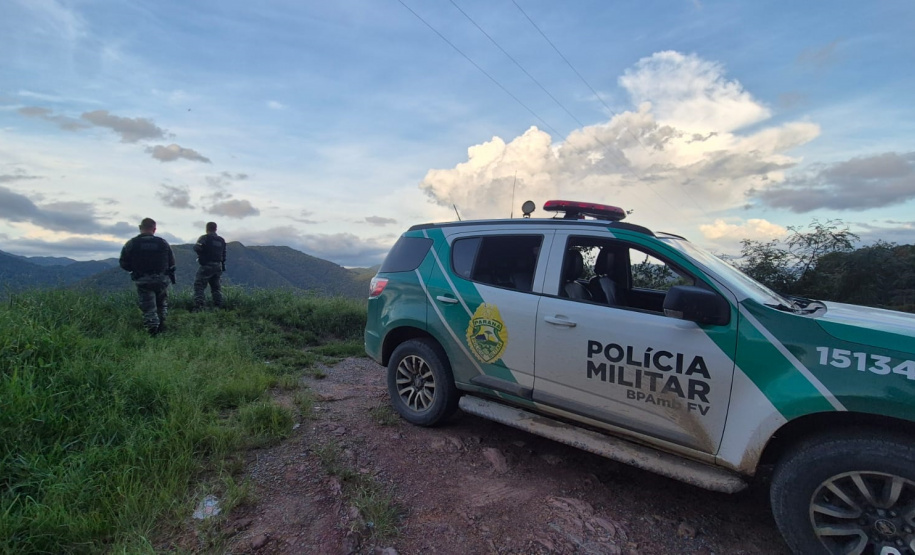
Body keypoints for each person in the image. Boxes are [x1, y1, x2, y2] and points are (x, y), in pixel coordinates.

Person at [119, 217, 176, 336]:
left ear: (140, 228)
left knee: (148, 306)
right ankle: (162, 327)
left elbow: (123, 262)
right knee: (161, 304)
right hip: (161, 279)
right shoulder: (163, 242)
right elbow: (171, 262)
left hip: (143, 279)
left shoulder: (132, 243)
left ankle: (152, 332)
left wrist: (134, 270)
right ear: (154, 229)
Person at [193, 221, 226, 311]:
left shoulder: (205, 238)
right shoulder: (221, 240)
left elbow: (196, 247)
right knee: (216, 287)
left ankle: (199, 306)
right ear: (216, 229)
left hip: (206, 265)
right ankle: (218, 306)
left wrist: (202, 255)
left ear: (207, 229)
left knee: (199, 286)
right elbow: (224, 254)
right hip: (218, 265)